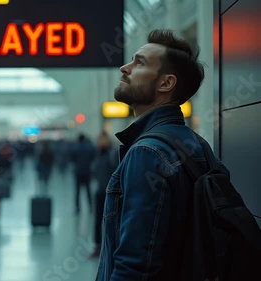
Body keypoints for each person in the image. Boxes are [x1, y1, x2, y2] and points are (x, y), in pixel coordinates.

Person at [96, 29, 229, 280]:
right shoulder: (196, 144)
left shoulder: (147, 153)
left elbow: (136, 266)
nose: (125, 68)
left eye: (139, 63)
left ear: (166, 83)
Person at [89, 130, 118, 258]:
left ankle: (112, 247)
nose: (99, 142)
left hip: (111, 192)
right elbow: (95, 170)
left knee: (111, 220)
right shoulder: (98, 154)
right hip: (100, 191)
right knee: (97, 221)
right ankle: (98, 246)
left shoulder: (112, 153)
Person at [71, 133, 95, 215]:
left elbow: (72, 159)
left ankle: (77, 208)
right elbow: (93, 156)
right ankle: (90, 207)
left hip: (78, 172)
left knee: (77, 191)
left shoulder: (75, 148)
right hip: (87, 171)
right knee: (88, 190)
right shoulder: (89, 147)